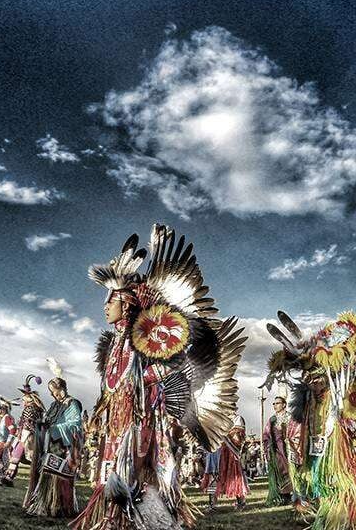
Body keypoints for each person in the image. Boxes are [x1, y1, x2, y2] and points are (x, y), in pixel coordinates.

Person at [72, 225, 247, 530]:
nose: (104, 306)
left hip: (144, 424)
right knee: (113, 478)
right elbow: (112, 387)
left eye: (111, 301)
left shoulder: (146, 338)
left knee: (135, 478)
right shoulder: (114, 345)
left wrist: (150, 378)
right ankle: (117, 521)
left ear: (126, 303)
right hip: (118, 426)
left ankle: (141, 520)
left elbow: (170, 364)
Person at [263, 310, 356, 529]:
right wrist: (297, 454)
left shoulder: (342, 394)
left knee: (347, 497)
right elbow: (297, 430)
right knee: (326, 495)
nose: (313, 381)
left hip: (343, 459)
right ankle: (331, 521)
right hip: (319, 459)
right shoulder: (305, 400)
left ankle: (352, 521)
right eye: (309, 377)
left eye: (317, 376)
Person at [25, 359, 84, 518]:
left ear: (62, 389)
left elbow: (76, 425)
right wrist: (41, 424)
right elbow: (48, 419)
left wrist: (56, 428)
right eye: (51, 392)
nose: (52, 394)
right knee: (47, 474)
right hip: (50, 444)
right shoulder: (54, 405)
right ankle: (46, 504)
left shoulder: (72, 403)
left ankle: (59, 506)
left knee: (58, 477)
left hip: (64, 447)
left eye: (54, 391)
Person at [0, 374, 44, 487]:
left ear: (28, 399)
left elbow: (28, 425)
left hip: (28, 437)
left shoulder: (30, 409)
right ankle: (9, 478)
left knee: (30, 459)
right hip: (28, 437)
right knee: (17, 457)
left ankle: (37, 482)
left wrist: (22, 437)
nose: (22, 401)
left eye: (24, 399)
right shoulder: (33, 409)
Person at [201, 415, 249, 512]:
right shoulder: (215, 416)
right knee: (213, 477)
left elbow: (238, 437)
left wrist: (224, 434)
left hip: (229, 453)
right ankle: (212, 505)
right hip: (214, 451)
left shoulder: (237, 418)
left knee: (234, 477)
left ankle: (241, 503)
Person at [263, 394, 292, 506]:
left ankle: (293, 494)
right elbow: (266, 435)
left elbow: (296, 431)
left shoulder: (290, 417)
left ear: (284, 405)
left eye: (278, 403)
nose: (275, 405)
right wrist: (268, 446)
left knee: (290, 470)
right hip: (275, 450)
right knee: (279, 471)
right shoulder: (272, 419)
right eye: (274, 404)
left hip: (289, 448)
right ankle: (282, 496)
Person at [0, 399, 17, 480]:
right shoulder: (3, 418)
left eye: (1, 409)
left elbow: (12, 430)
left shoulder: (7, 418)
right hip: (1, 441)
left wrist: (8, 441)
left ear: (5, 410)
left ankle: (2, 474)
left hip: (4, 442)